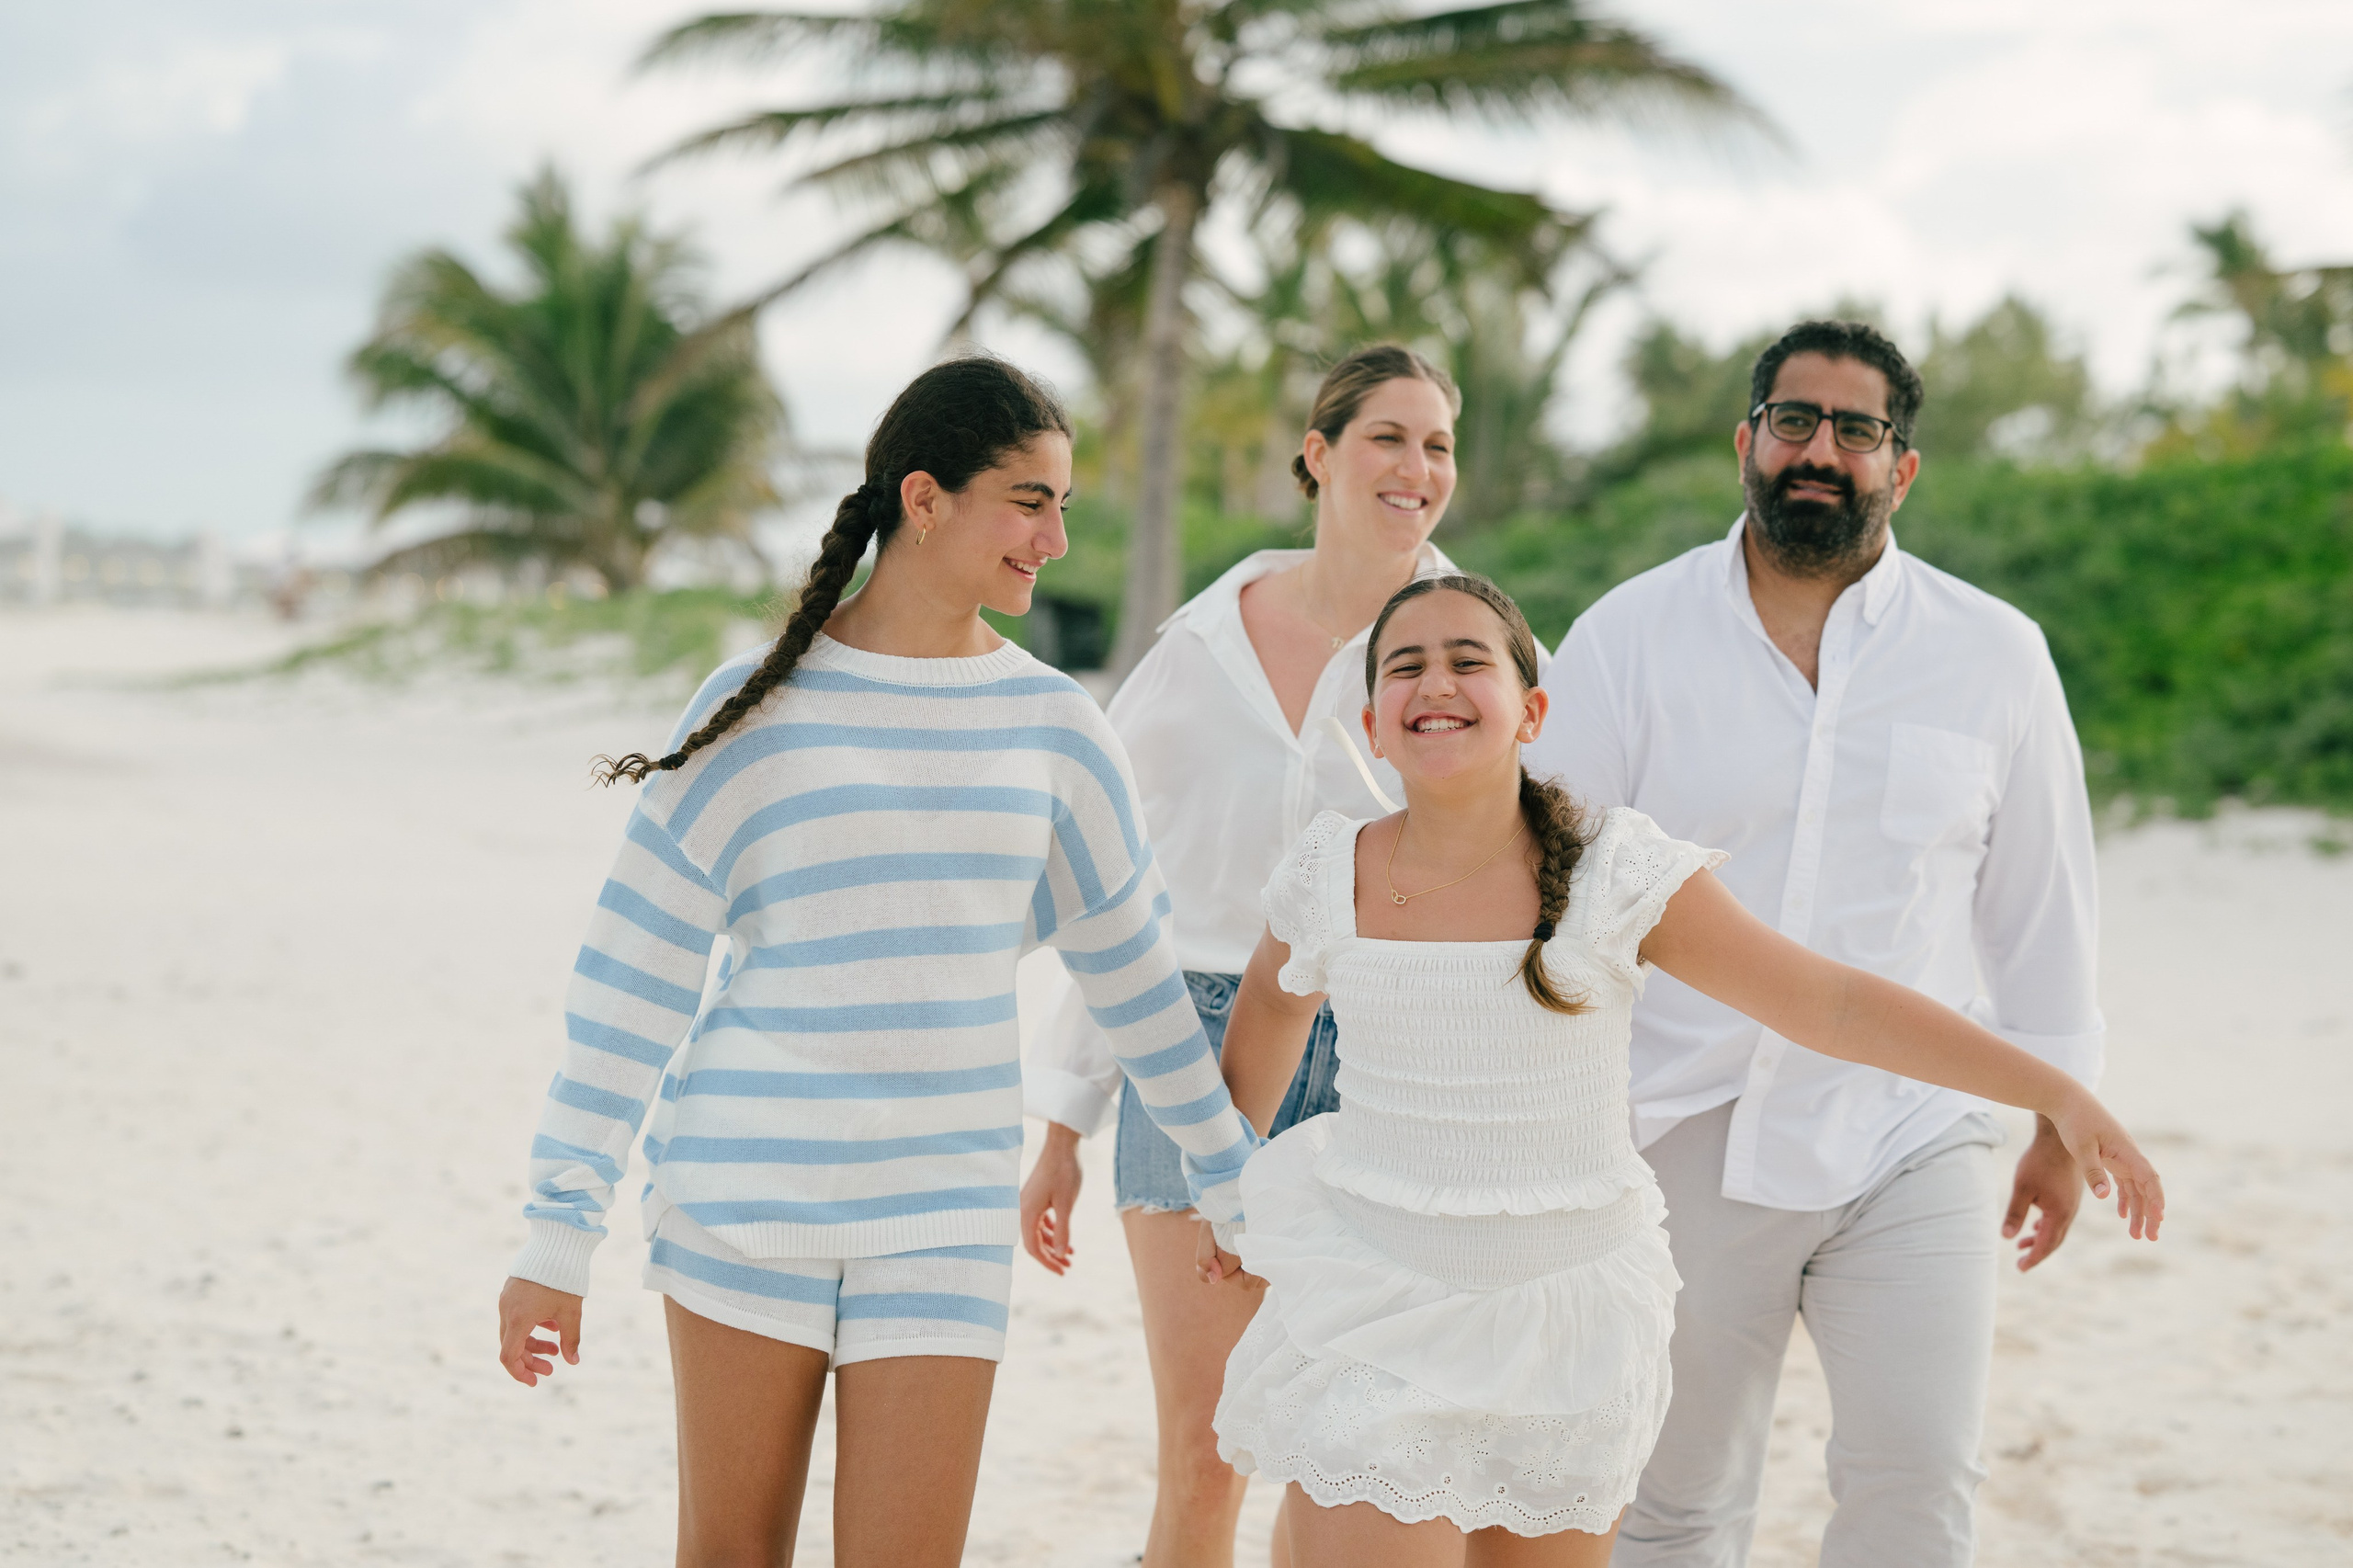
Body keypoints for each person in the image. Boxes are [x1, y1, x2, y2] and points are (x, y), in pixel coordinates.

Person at [1198, 574, 2162, 1568]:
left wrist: (2053, 1087)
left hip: (1565, 1321)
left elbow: (1826, 1001)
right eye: (1405, 665)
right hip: (1376, 1300)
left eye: (1466, 659)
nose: (1434, 680)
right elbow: (1271, 1006)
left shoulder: (1616, 870)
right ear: (1372, 723)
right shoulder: (1329, 871)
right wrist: (1226, 1179)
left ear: (1530, 711)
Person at [491, 356, 1261, 1567]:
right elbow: (632, 989)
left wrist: (1231, 1179)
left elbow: (1134, 981)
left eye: (1064, 505)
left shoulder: (1058, 727)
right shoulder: (755, 708)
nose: (1056, 537)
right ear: (924, 497)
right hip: (746, 1195)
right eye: (1029, 500)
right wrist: (557, 1232)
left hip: (944, 1210)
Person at [1527, 319, 2113, 1565]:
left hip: (1914, 1128)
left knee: (1918, 1485)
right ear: (1747, 442)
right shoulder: (1630, 637)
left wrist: (2061, 1122)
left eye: (1857, 429)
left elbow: (2040, 910)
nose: (1821, 449)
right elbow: (1545, 889)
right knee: (1674, 1502)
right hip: (1673, 1128)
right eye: (1795, 420)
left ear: (1902, 468)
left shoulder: (1996, 655)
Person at [1019, 343, 1469, 1567]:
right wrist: (1064, 1117)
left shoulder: (1469, 645)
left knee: (1365, 1448)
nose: (1417, 467)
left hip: (1392, 1056)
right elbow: (1113, 889)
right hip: (1191, 1043)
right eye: (1389, 436)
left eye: (1438, 444)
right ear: (1319, 455)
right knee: (1205, 1448)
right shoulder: (1195, 648)